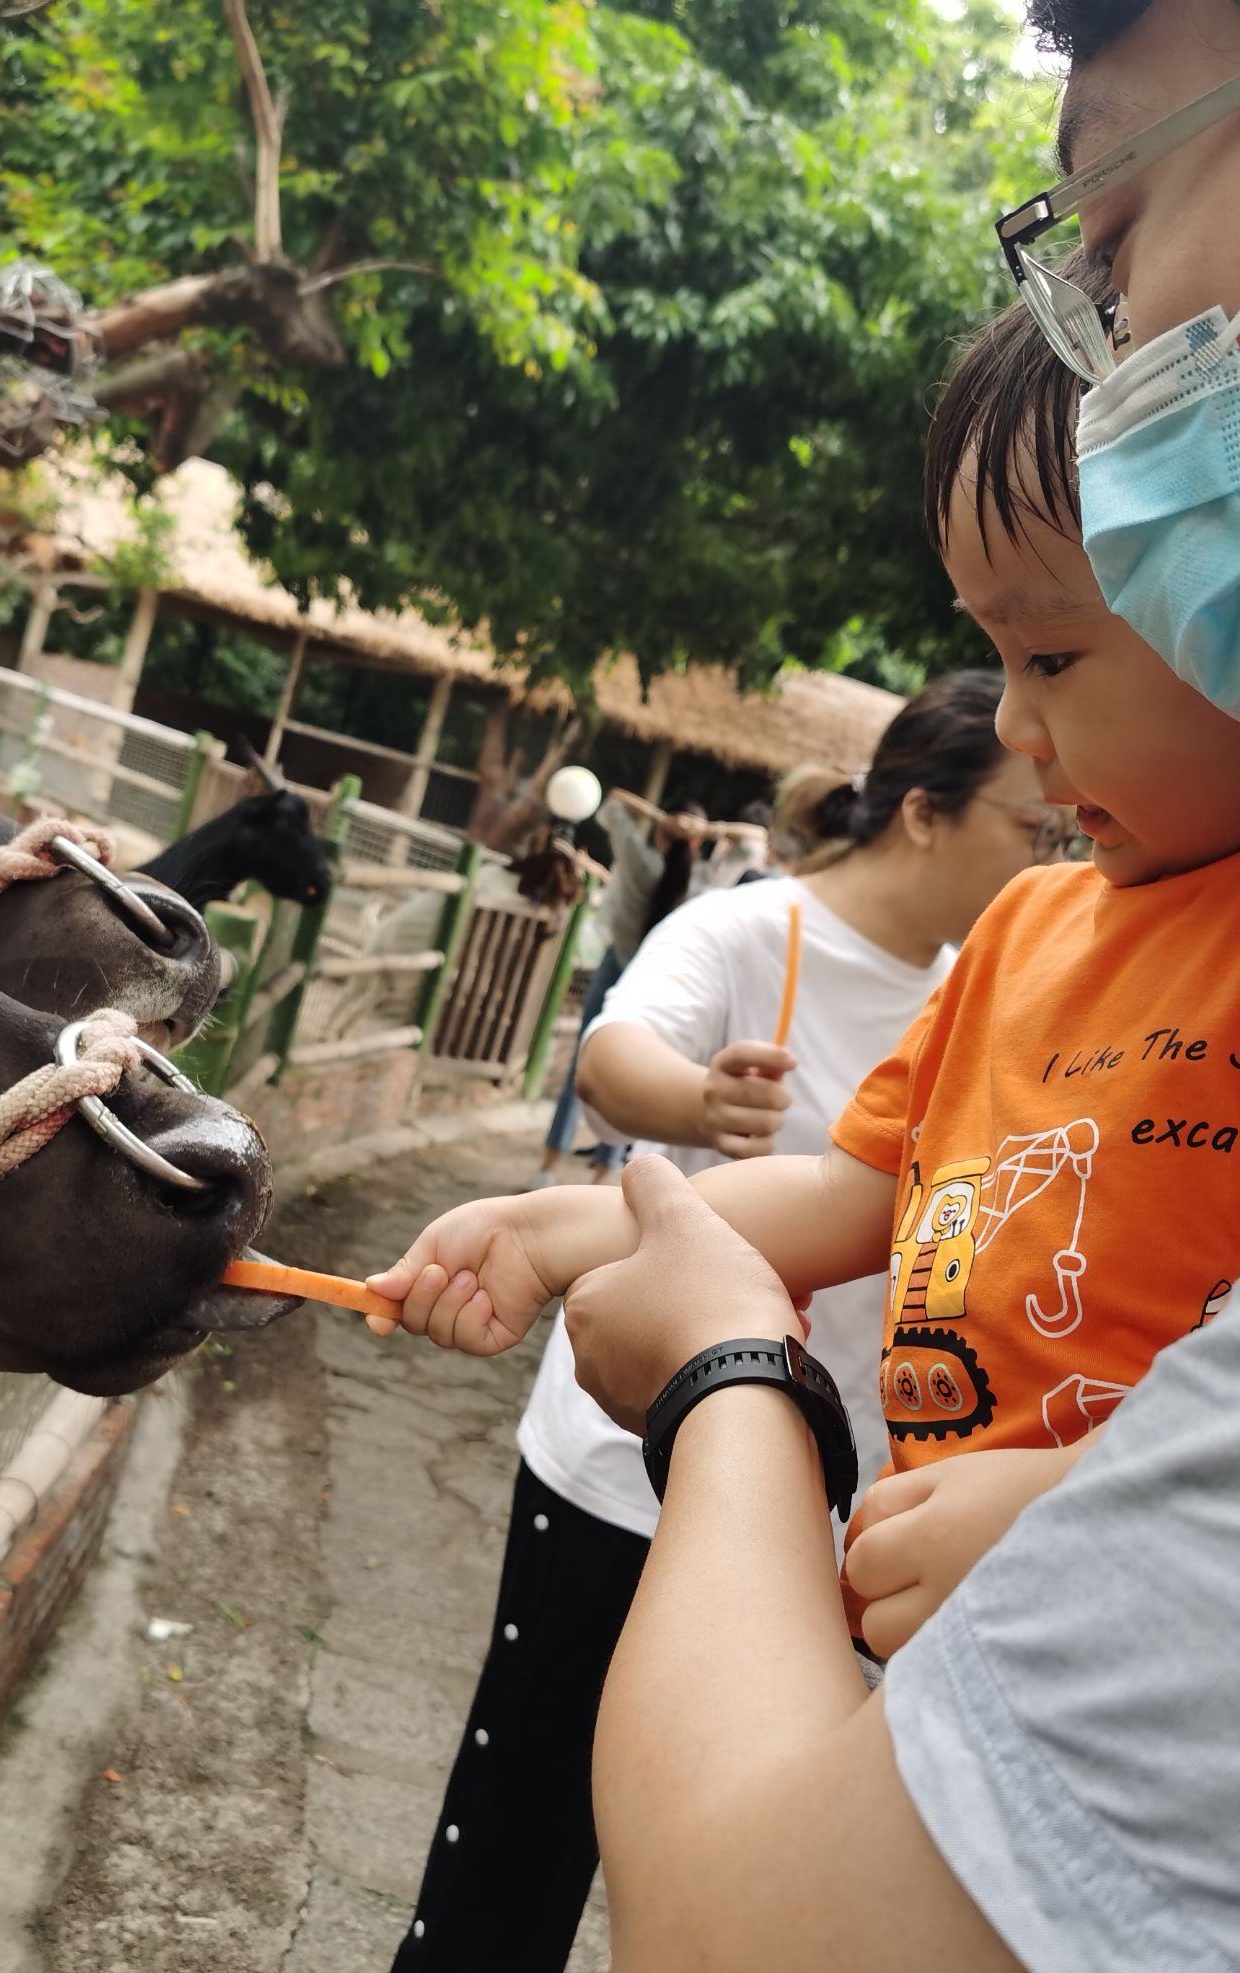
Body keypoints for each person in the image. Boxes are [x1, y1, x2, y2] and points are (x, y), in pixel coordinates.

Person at [372, 167, 1240, 1946]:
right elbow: (861, 1187)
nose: (1014, 721)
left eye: (1055, 654)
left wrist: (1086, 1497)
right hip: (930, 1619)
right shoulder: (1027, 925)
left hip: (1149, 1636)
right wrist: (582, 1232)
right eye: (994, 658)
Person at [394, 677, 1060, 1973]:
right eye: (1033, 831)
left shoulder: (995, 980)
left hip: (823, 1489)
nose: (1053, 856)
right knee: (515, 1853)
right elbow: (611, 1051)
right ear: (922, 813)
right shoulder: (755, 926)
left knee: (754, 1863)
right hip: (625, 1460)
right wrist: (695, 1103)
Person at [539, 792, 761, 1178]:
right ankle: (603, 1175)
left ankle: (547, 1166)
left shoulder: (636, 858)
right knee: (637, 1075)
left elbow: (613, 804)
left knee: (585, 1063)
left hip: (616, 968)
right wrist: (708, 829)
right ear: (696, 842)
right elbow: (757, 838)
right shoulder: (710, 879)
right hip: (671, 983)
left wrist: (662, 817)